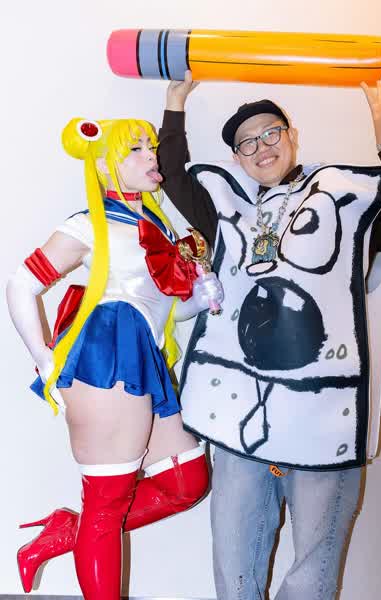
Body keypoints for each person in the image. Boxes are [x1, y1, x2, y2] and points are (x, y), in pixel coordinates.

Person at [156, 72, 381, 599]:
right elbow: (174, 175)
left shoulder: (341, 207)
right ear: (238, 159)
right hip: (244, 422)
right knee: (234, 568)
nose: (262, 146)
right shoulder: (234, 218)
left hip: (321, 420)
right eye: (248, 143)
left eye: (271, 133)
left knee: (313, 571)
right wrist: (175, 103)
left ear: (291, 136)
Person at [6, 116, 223, 599]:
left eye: (151, 146)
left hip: (144, 362)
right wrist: (44, 358)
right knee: (106, 504)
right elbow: (22, 283)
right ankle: (83, 528)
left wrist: (201, 294)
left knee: (186, 483)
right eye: (136, 149)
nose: (152, 155)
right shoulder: (90, 224)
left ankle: (66, 531)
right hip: (104, 362)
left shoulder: (157, 225)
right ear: (104, 165)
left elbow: (164, 308)